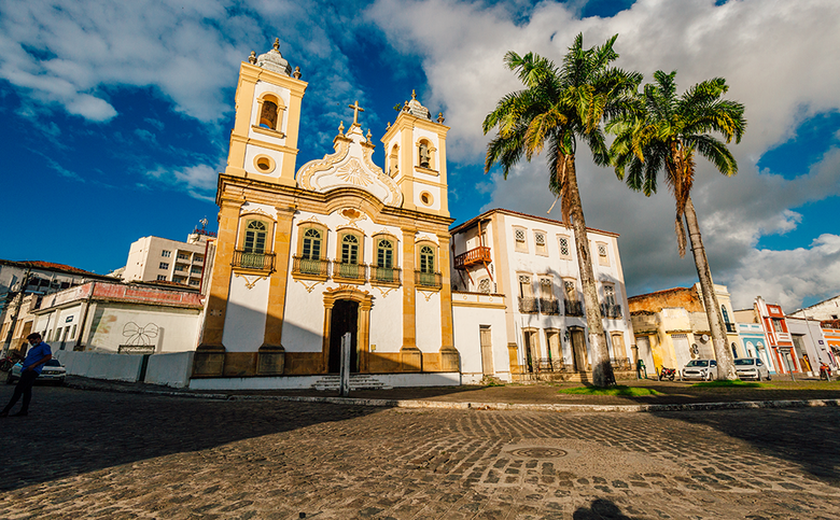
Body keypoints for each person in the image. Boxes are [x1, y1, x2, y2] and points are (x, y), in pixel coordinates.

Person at [0, 332, 52, 417]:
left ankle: (6, 410)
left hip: (32, 370)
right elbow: (28, 360)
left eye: (32, 341)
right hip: (26, 369)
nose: (31, 343)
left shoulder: (44, 346)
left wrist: (34, 365)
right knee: (27, 391)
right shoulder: (32, 349)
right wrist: (20, 357)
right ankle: (24, 410)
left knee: (19, 389)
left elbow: (48, 357)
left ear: (38, 339)